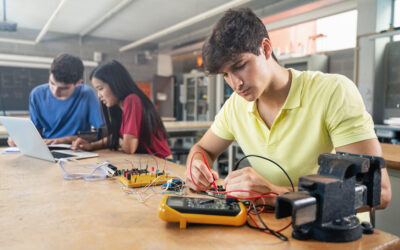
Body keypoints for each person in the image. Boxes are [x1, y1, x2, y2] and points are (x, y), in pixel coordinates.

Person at [185, 8, 391, 209]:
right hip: (273, 231)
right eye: (225, 75)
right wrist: (196, 167)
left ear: (265, 48)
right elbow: (202, 149)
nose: (235, 83)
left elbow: (378, 192)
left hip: (334, 234)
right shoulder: (235, 106)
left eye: (239, 66)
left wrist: (274, 193)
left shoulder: (333, 92)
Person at [71, 60, 172, 158]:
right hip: (146, 160)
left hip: (162, 163)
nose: (99, 96)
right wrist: (92, 146)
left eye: (101, 89)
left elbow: (129, 147)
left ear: (115, 83)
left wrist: (121, 141)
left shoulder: (132, 100)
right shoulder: (119, 107)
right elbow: (116, 137)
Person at [7, 53, 104, 146]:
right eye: (52, 83)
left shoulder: (87, 94)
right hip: (47, 148)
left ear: (78, 83)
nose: (55, 92)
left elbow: (99, 133)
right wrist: (20, 138)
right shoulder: (37, 94)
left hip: (76, 148)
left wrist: (62, 140)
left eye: (63, 88)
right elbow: (36, 133)